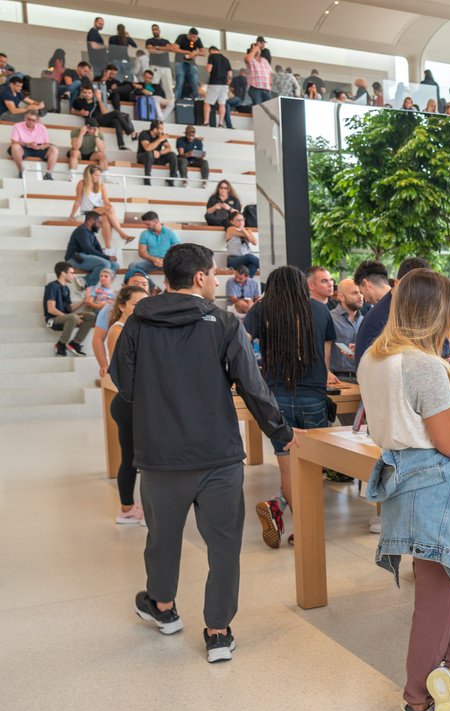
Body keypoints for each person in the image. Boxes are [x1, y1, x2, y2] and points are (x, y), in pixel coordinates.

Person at [112, 243, 292, 663]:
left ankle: (161, 606)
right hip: (218, 455)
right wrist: (279, 433)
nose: (216, 280)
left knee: (162, 537)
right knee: (224, 544)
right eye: (214, 274)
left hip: (160, 455)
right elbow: (253, 385)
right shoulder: (225, 323)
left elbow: (124, 381)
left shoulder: (138, 322)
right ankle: (218, 632)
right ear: (199, 278)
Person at [358, 268, 450, 711]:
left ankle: (445, 678)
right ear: (436, 315)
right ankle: (417, 705)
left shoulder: (375, 357)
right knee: (439, 596)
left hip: (401, 482)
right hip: (436, 487)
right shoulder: (426, 367)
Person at [243, 266, 338, 548]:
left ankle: (299, 523)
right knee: (313, 465)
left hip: (276, 396)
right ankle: (294, 519)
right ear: (303, 285)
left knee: (287, 466)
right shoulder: (320, 310)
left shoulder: (261, 310)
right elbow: (326, 354)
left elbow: (242, 346)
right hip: (314, 396)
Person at [105, 284, 149, 525]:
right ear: (122, 306)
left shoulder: (139, 327)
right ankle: (128, 509)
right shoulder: (118, 329)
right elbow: (121, 370)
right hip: (128, 404)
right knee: (133, 457)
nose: (139, 308)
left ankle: (131, 508)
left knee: (136, 457)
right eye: (135, 304)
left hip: (137, 403)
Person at [69, 165, 132, 246]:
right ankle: (122, 234)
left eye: (99, 175)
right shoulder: (82, 183)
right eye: (96, 175)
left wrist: (110, 206)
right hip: (88, 212)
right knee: (106, 210)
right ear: (89, 175)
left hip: (100, 211)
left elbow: (106, 201)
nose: (98, 177)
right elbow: (78, 201)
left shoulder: (101, 185)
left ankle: (108, 246)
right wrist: (71, 215)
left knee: (106, 217)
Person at [43, 262, 95, 356]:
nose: (74, 276)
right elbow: (51, 309)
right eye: (71, 273)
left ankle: (75, 343)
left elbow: (69, 308)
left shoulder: (66, 288)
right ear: (63, 273)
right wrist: (72, 316)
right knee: (73, 317)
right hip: (53, 319)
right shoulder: (52, 286)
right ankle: (61, 344)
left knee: (90, 316)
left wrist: (83, 301)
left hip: (66, 317)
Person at [71, 84, 133, 150]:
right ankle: (130, 131)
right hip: (93, 121)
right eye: (85, 92)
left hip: (102, 119)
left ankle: (121, 145)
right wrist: (80, 113)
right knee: (116, 112)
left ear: (93, 94)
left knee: (116, 121)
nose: (87, 94)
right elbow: (72, 111)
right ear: (82, 93)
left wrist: (99, 100)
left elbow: (105, 113)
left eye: (89, 93)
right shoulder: (78, 101)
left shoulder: (97, 102)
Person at [124, 211, 180, 281]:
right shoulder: (144, 234)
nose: (146, 226)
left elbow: (178, 251)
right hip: (151, 261)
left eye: (148, 224)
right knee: (133, 266)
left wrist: (165, 260)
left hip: (168, 261)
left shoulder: (170, 232)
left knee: (179, 267)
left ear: (156, 221)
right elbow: (142, 252)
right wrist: (154, 259)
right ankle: (152, 287)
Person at [65, 212, 117, 285]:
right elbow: (88, 250)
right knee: (104, 264)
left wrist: (106, 257)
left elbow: (98, 248)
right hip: (75, 258)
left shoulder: (91, 232)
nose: (101, 226)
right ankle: (85, 284)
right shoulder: (82, 230)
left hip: (85, 257)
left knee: (115, 265)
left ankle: (99, 284)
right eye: (99, 223)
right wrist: (107, 257)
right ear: (92, 220)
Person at [329, 278, 364, 382]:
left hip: (362, 379)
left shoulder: (365, 320)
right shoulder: (329, 318)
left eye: (361, 292)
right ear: (341, 297)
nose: (360, 296)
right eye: (354, 293)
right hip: (337, 379)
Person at [8, 107, 56, 178]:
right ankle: (21, 171)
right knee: (15, 147)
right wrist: (27, 144)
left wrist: (38, 147)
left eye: (33, 120)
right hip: (24, 147)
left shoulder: (42, 127)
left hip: (39, 147)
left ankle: (48, 174)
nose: (31, 122)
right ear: (25, 118)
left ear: (36, 120)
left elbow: (47, 143)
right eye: (29, 119)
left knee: (54, 149)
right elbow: (13, 141)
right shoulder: (17, 126)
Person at [137, 120, 183, 185]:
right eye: (161, 129)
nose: (162, 131)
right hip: (144, 157)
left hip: (156, 157)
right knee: (149, 154)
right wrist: (160, 139)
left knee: (172, 154)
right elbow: (147, 148)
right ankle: (147, 178)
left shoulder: (161, 135)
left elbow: (168, 148)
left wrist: (160, 153)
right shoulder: (144, 134)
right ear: (155, 129)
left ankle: (172, 178)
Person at [225, 211, 259, 276]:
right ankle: (266, 267)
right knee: (249, 257)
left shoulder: (247, 231)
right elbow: (250, 238)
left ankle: (246, 283)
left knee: (253, 265)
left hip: (246, 261)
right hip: (233, 260)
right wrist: (245, 231)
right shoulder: (231, 229)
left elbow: (254, 242)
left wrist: (243, 230)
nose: (241, 222)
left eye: (242, 220)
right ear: (232, 222)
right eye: (238, 220)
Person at [173, 27, 202, 100]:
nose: (195, 39)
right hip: (180, 61)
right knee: (180, 81)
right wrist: (188, 52)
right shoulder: (181, 37)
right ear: (189, 35)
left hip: (191, 63)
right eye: (194, 37)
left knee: (194, 81)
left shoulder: (197, 40)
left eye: (196, 37)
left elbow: (203, 52)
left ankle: (197, 98)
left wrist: (195, 52)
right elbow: (175, 48)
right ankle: (176, 99)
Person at [244, 41, 272, 106]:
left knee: (270, 107)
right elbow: (247, 59)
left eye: (258, 48)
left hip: (266, 89)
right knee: (258, 108)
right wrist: (254, 49)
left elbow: (269, 73)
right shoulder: (250, 59)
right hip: (255, 88)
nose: (257, 49)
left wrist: (270, 86)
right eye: (255, 48)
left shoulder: (264, 60)